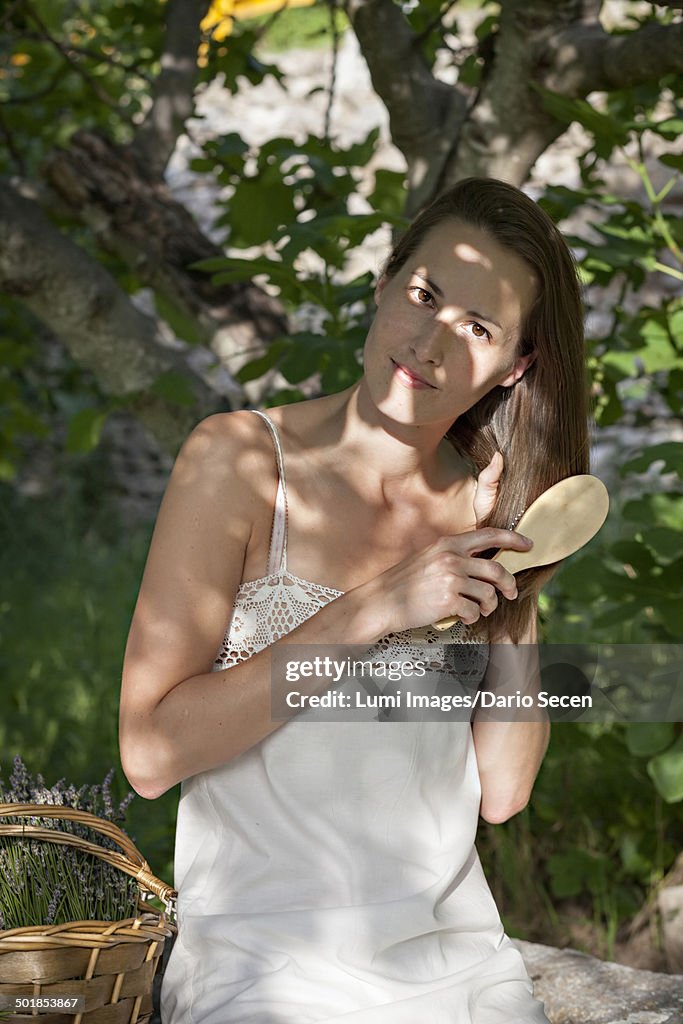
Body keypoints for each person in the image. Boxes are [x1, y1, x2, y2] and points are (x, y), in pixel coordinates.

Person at [119, 176, 589, 1023]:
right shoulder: (237, 463)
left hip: (457, 970)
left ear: (512, 369)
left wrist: (515, 572)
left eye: (476, 328)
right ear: (384, 284)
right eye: (423, 295)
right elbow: (150, 755)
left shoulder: (480, 520)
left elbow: (504, 790)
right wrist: (374, 608)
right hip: (260, 971)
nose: (429, 342)